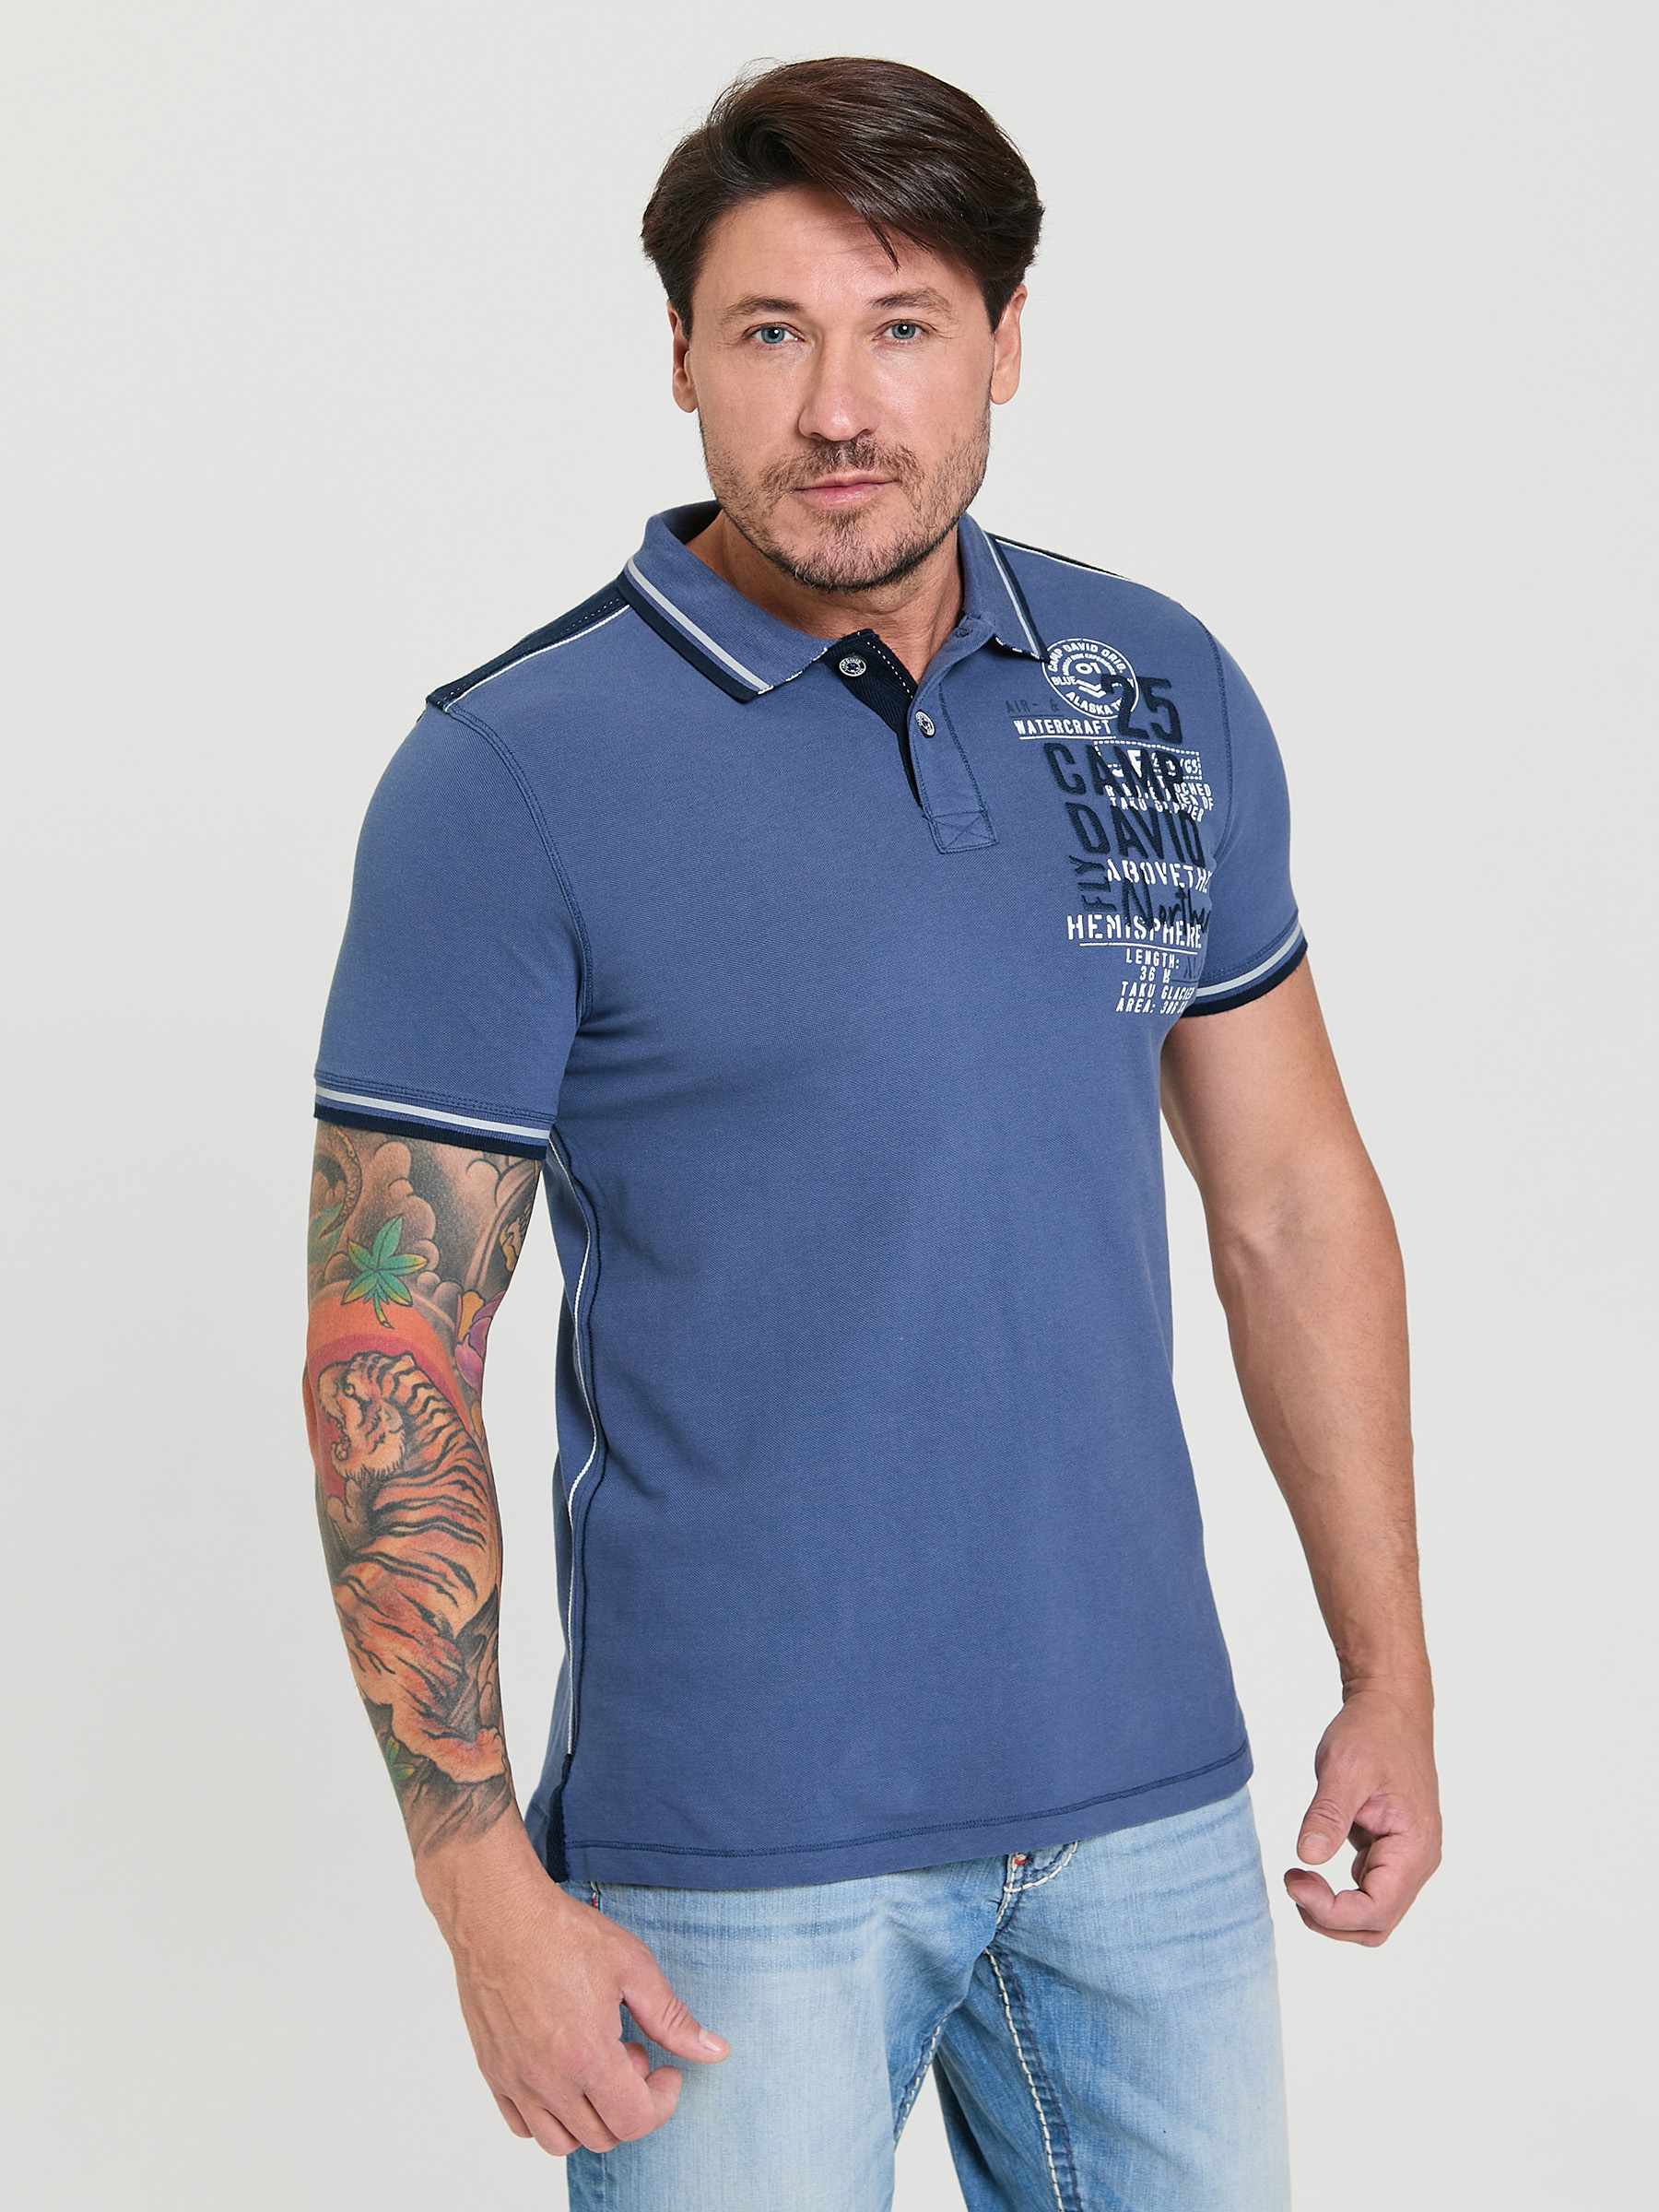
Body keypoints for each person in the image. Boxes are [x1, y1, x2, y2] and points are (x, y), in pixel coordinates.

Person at [304, 54, 1440, 2212]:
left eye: (902, 325)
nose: (838, 407)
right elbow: (391, 1350)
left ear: (1006, 341)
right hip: (735, 1865)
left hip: (1150, 1818)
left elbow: (1293, 1204)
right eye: (771, 331)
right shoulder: (510, 776)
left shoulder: (1156, 689)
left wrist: (1390, 1679)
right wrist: (478, 1887)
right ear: (680, 358)